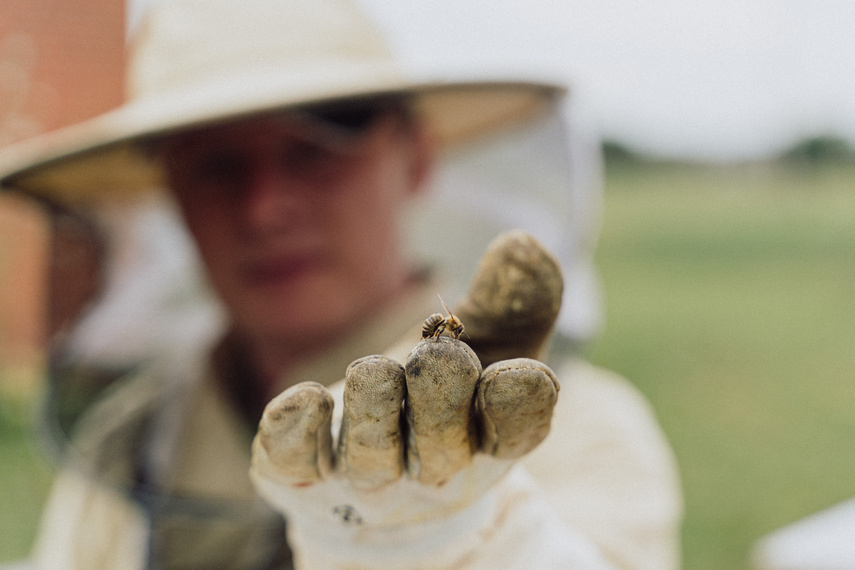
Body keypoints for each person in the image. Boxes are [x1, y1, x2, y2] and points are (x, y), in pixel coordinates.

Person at [0, 0, 683, 568]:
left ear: (412, 158)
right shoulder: (132, 440)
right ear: (172, 194)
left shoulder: (574, 427)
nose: (264, 208)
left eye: (314, 150)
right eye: (216, 165)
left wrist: (452, 539)